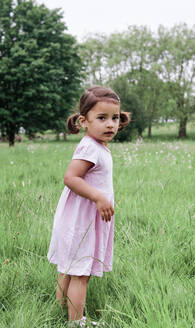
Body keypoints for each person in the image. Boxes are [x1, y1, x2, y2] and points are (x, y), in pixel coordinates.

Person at [47, 86, 130, 325]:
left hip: (83, 219)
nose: (110, 124)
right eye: (102, 118)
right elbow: (70, 178)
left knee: (71, 268)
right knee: (80, 274)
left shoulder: (98, 146)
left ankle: (61, 311)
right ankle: (76, 322)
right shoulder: (89, 147)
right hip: (81, 220)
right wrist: (98, 197)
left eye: (114, 118)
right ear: (84, 121)